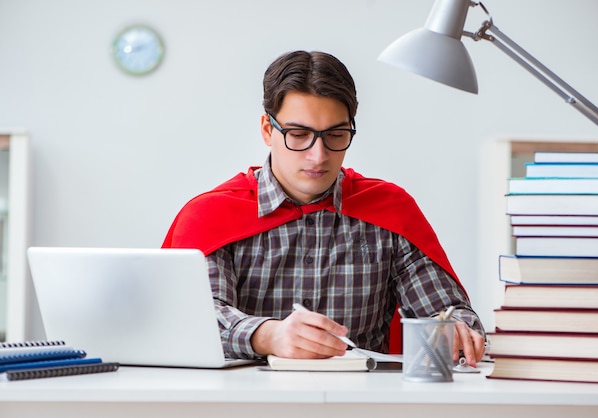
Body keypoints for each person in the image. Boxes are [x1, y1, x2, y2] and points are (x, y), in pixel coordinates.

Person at [162, 50, 486, 366]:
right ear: (266, 130)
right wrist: (269, 335)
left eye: (336, 134)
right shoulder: (211, 216)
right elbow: (196, 319)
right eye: (299, 134)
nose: (318, 155)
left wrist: (455, 329)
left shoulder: (390, 212)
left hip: (363, 402)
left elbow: (446, 311)